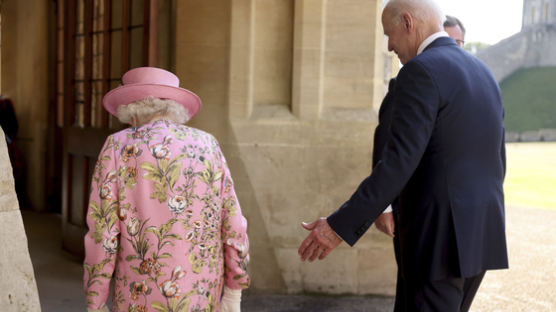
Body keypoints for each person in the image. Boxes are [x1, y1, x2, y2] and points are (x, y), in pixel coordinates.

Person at [298, 0, 508, 311]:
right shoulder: (483, 72)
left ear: (408, 22)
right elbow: (497, 158)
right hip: (482, 231)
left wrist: (339, 226)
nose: (389, 45)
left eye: (389, 33)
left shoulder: (419, 71)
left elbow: (398, 162)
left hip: (438, 239)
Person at [83, 67, 250, 312]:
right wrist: (234, 293)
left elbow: (102, 233)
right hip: (202, 295)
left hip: (139, 296)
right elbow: (233, 223)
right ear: (174, 108)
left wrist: (95, 302)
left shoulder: (118, 147)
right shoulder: (208, 145)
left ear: (132, 110)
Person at [374, 15, 469, 238]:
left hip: (461, 210)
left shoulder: (471, 85)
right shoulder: (410, 81)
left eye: (458, 43)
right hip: (416, 208)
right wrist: (383, 204)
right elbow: (385, 143)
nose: (452, 48)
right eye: (448, 40)